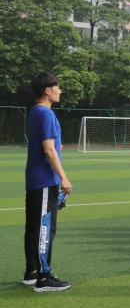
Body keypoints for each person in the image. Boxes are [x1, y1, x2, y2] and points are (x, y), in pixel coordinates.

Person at [23, 72, 73, 292]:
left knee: (33, 227)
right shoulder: (47, 115)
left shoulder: (34, 112)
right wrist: (63, 177)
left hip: (34, 178)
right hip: (45, 180)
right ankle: (44, 277)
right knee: (44, 228)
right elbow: (48, 149)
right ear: (47, 90)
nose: (60, 90)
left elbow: (47, 144)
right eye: (57, 87)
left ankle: (32, 271)